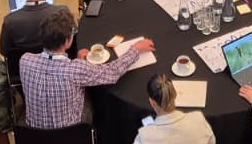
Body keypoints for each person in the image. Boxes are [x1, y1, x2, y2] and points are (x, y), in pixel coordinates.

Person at [20, 8, 154, 129]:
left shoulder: (25, 60)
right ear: (67, 41)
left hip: (34, 134)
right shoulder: (76, 69)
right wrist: (135, 49)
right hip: (71, 133)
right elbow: (112, 73)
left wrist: (78, 62)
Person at [0, 0, 68, 82]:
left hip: (25, 72)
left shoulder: (10, 21)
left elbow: (4, 51)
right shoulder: (63, 12)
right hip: (59, 66)